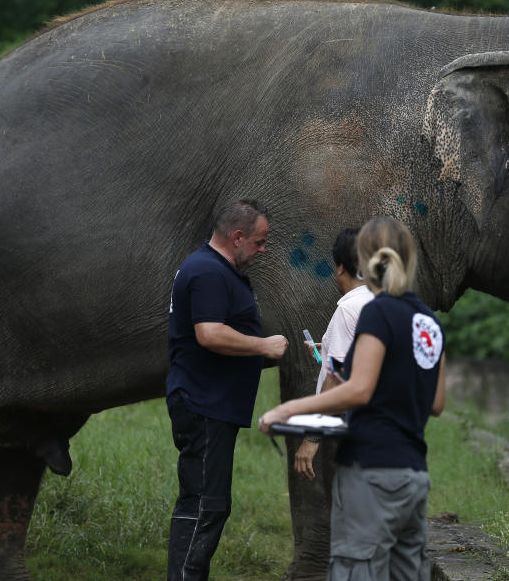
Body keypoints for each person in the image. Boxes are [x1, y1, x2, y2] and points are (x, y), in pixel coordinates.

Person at [260, 216, 447, 581]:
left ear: (364, 262)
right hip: (414, 475)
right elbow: (436, 402)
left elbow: (358, 389)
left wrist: (288, 408)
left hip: (371, 470)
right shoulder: (428, 320)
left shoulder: (375, 312)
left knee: (356, 571)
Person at [166, 198, 288, 580]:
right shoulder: (207, 271)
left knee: (209, 504)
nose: (262, 249)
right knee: (204, 504)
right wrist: (263, 345)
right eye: (259, 241)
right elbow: (209, 333)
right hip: (204, 404)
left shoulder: (217, 271)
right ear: (237, 237)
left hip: (213, 405)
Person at [294, 227, 374, 481]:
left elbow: (336, 374)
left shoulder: (348, 309)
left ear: (340, 268)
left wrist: (312, 438)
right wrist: (328, 347)